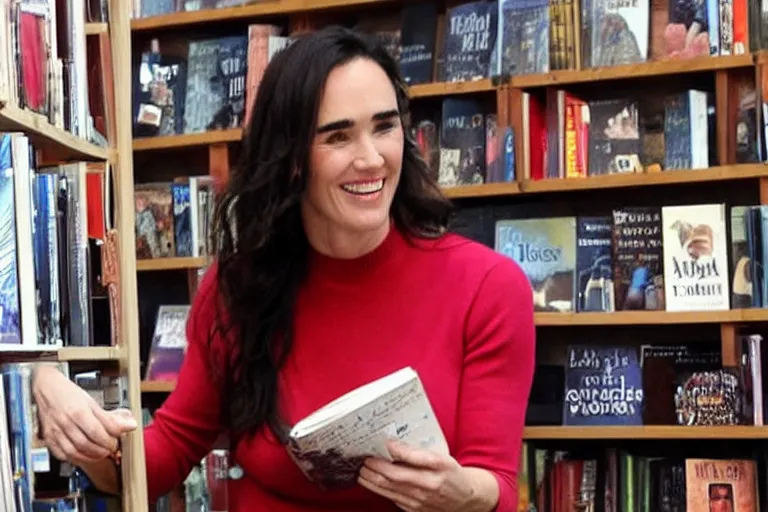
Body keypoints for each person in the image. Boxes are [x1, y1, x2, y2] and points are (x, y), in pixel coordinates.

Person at [31, 25, 536, 511]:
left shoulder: (487, 287)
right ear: (291, 158)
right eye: (338, 137)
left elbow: (497, 483)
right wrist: (71, 417)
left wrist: (462, 494)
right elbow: (163, 457)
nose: (372, 158)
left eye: (384, 127)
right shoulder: (239, 288)